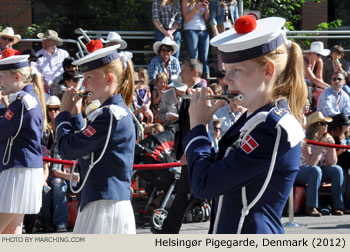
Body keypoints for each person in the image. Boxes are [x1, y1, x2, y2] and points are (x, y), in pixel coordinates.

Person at [183, 15, 307, 234]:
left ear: (268, 71)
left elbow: (205, 184)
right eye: (226, 70)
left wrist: (198, 130)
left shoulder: (273, 127)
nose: (226, 80)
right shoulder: (253, 119)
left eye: (237, 70)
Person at [54, 45, 136, 234]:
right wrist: (75, 116)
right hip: (102, 200)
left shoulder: (110, 115)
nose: (84, 84)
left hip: (105, 204)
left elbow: (68, 149)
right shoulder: (108, 113)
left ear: (109, 78)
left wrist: (63, 114)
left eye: (89, 77)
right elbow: (88, 144)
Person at [151, 59, 203, 234]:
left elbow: (200, 125)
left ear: (194, 73)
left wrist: (190, 151)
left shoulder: (202, 92)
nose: (180, 74)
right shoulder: (190, 92)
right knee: (185, 192)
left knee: (187, 192)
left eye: (184, 70)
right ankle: (169, 229)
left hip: (197, 151)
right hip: (190, 149)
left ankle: (169, 230)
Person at [0, 53, 44, 234]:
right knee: (12, 231)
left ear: (17, 76)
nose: (0, 82)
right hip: (21, 168)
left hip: (18, 170)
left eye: (2, 77)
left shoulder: (22, 101)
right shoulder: (22, 100)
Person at [296, 112, 345, 216]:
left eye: (326, 123)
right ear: (315, 126)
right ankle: (311, 206)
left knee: (337, 169)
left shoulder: (326, 137)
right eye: (323, 123)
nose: (326, 125)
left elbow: (332, 162)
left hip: (316, 171)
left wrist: (331, 146)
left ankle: (338, 206)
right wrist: (321, 147)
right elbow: (311, 163)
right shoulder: (305, 139)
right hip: (301, 170)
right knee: (316, 170)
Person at [182, 0, 210, 80]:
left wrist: (207, 9)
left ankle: (206, 81)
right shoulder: (186, 1)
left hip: (203, 30)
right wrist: (196, 9)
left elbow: (206, 20)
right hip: (190, 29)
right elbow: (186, 18)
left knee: (204, 58)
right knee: (194, 57)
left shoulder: (203, 1)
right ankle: (195, 79)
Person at [209, 0, 239, 71]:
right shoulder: (215, 1)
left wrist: (238, 30)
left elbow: (236, 17)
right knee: (220, 53)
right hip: (220, 28)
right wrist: (215, 32)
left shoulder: (234, 2)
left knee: (231, 52)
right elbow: (212, 17)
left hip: (231, 28)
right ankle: (221, 74)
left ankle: (230, 72)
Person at [329, 113, 350, 210]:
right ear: (339, 127)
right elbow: (331, 156)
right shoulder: (334, 139)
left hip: (347, 164)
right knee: (343, 182)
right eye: (346, 125)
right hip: (340, 165)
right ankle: (342, 204)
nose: (348, 127)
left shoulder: (346, 138)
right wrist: (341, 151)